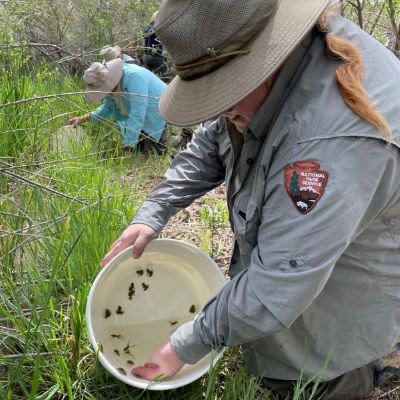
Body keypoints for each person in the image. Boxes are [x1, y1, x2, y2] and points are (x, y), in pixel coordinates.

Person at [100, 1, 400, 398]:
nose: (222, 110)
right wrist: (154, 212)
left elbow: (279, 281)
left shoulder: (328, 144)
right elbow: (211, 141)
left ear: (265, 60)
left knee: (328, 364)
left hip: (351, 278)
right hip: (309, 253)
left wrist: (183, 343)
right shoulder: (266, 64)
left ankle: (357, 375)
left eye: (225, 95)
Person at [67, 58, 167, 153]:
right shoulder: (110, 87)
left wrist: (128, 146)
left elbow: (138, 113)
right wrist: (82, 119)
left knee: (154, 153)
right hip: (142, 117)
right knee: (139, 150)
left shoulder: (134, 77)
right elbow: (107, 107)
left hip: (160, 110)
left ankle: (172, 138)